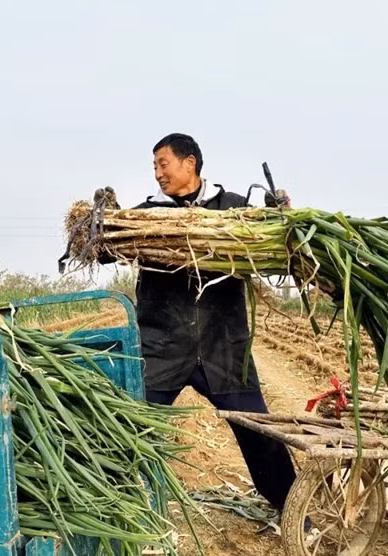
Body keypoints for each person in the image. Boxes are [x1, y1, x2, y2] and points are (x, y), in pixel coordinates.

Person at [104, 132, 297, 510]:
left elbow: (284, 246)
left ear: (189, 163)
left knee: (260, 432)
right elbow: (104, 252)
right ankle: (114, 507)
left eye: (164, 164)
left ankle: (291, 508)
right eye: (154, 167)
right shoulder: (145, 216)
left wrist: (282, 215)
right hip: (161, 346)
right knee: (128, 428)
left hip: (223, 346)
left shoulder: (234, 210)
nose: (158, 174)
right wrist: (104, 217)